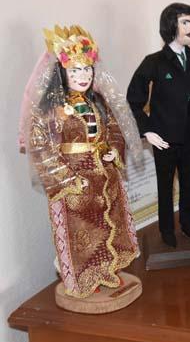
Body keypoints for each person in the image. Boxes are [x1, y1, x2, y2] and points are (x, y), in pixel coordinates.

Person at [20, 25, 142, 298]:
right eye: (75, 70)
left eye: (87, 69)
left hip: (104, 178)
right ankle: (84, 278)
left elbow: (114, 129)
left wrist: (113, 150)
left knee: (109, 225)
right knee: (83, 234)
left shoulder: (98, 101)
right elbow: (41, 147)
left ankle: (107, 271)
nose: (83, 76)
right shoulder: (50, 110)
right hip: (75, 182)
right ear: (61, 73)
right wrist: (67, 178)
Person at [127, 3, 190, 248]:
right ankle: (166, 229)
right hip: (164, 138)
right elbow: (134, 99)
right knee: (165, 185)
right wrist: (147, 130)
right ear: (171, 25)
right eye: (185, 22)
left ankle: (188, 224)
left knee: (189, 183)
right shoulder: (154, 62)